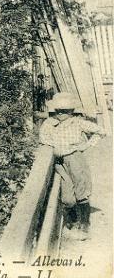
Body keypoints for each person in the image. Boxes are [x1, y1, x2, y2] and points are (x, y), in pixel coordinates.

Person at [38, 92, 106, 240]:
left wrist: (85, 145)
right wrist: (52, 145)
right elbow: (43, 138)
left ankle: (84, 226)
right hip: (59, 162)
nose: (61, 113)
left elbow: (101, 131)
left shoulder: (78, 122)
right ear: (54, 110)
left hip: (75, 158)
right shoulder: (49, 123)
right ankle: (73, 222)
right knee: (67, 197)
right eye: (59, 110)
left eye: (65, 110)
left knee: (81, 191)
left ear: (71, 111)